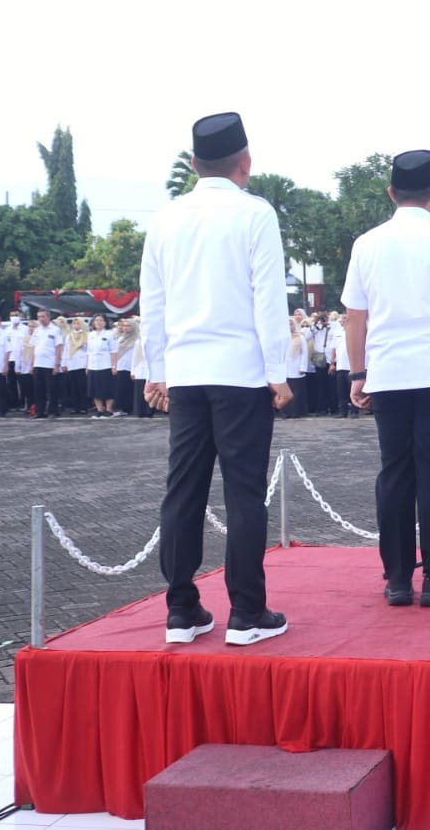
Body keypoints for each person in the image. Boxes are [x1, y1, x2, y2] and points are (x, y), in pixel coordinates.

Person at [140, 112, 293, 646]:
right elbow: (269, 298)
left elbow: (152, 303)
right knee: (245, 492)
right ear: (244, 162)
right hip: (241, 373)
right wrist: (278, 372)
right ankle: (247, 613)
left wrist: (155, 372)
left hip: (185, 374)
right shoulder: (255, 214)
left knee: (182, 489)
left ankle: (181, 610)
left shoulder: (166, 218)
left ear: (192, 163)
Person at [343, 149, 430, 609]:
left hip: (387, 374)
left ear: (391, 193)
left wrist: (357, 374)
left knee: (395, 475)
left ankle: (398, 579)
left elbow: (354, 319)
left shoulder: (367, 243)